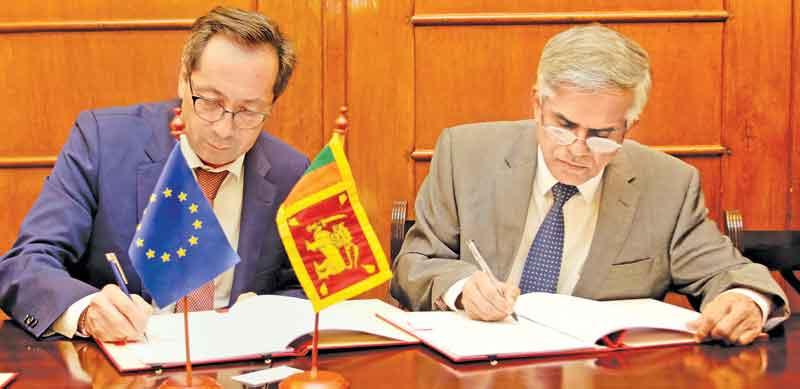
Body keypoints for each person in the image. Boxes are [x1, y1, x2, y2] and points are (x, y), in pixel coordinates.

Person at [390, 24, 790, 346]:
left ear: (630, 125)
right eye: (563, 126)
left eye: (601, 133)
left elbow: (729, 273)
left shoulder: (667, 185)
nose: (578, 150)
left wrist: (745, 301)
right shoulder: (466, 155)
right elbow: (414, 265)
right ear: (537, 105)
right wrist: (461, 288)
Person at [0, 6, 309, 341]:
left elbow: (307, 289)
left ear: (272, 104)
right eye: (208, 100)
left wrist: (272, 312)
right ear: (183, 77)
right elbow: (26, 262)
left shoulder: (289, 172)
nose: (223, 129)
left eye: (248, 110)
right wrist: (87, 311)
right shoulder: (103, 144)